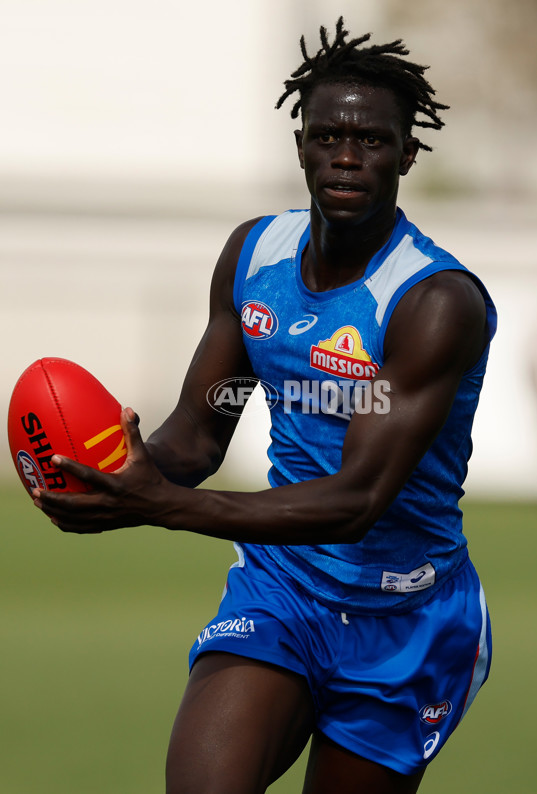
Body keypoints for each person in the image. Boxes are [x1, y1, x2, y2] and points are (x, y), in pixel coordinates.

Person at [34, 17, 497, 794]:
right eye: (327, 136)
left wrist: (165, 506)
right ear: (300, 144)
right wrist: (124, 468)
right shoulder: (254, 258)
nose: (346, 157)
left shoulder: (432, 302)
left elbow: (355, 501)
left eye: (372, 141)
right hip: (280, 591)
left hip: (407, 618)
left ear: (407, 155)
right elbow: (202, 427)